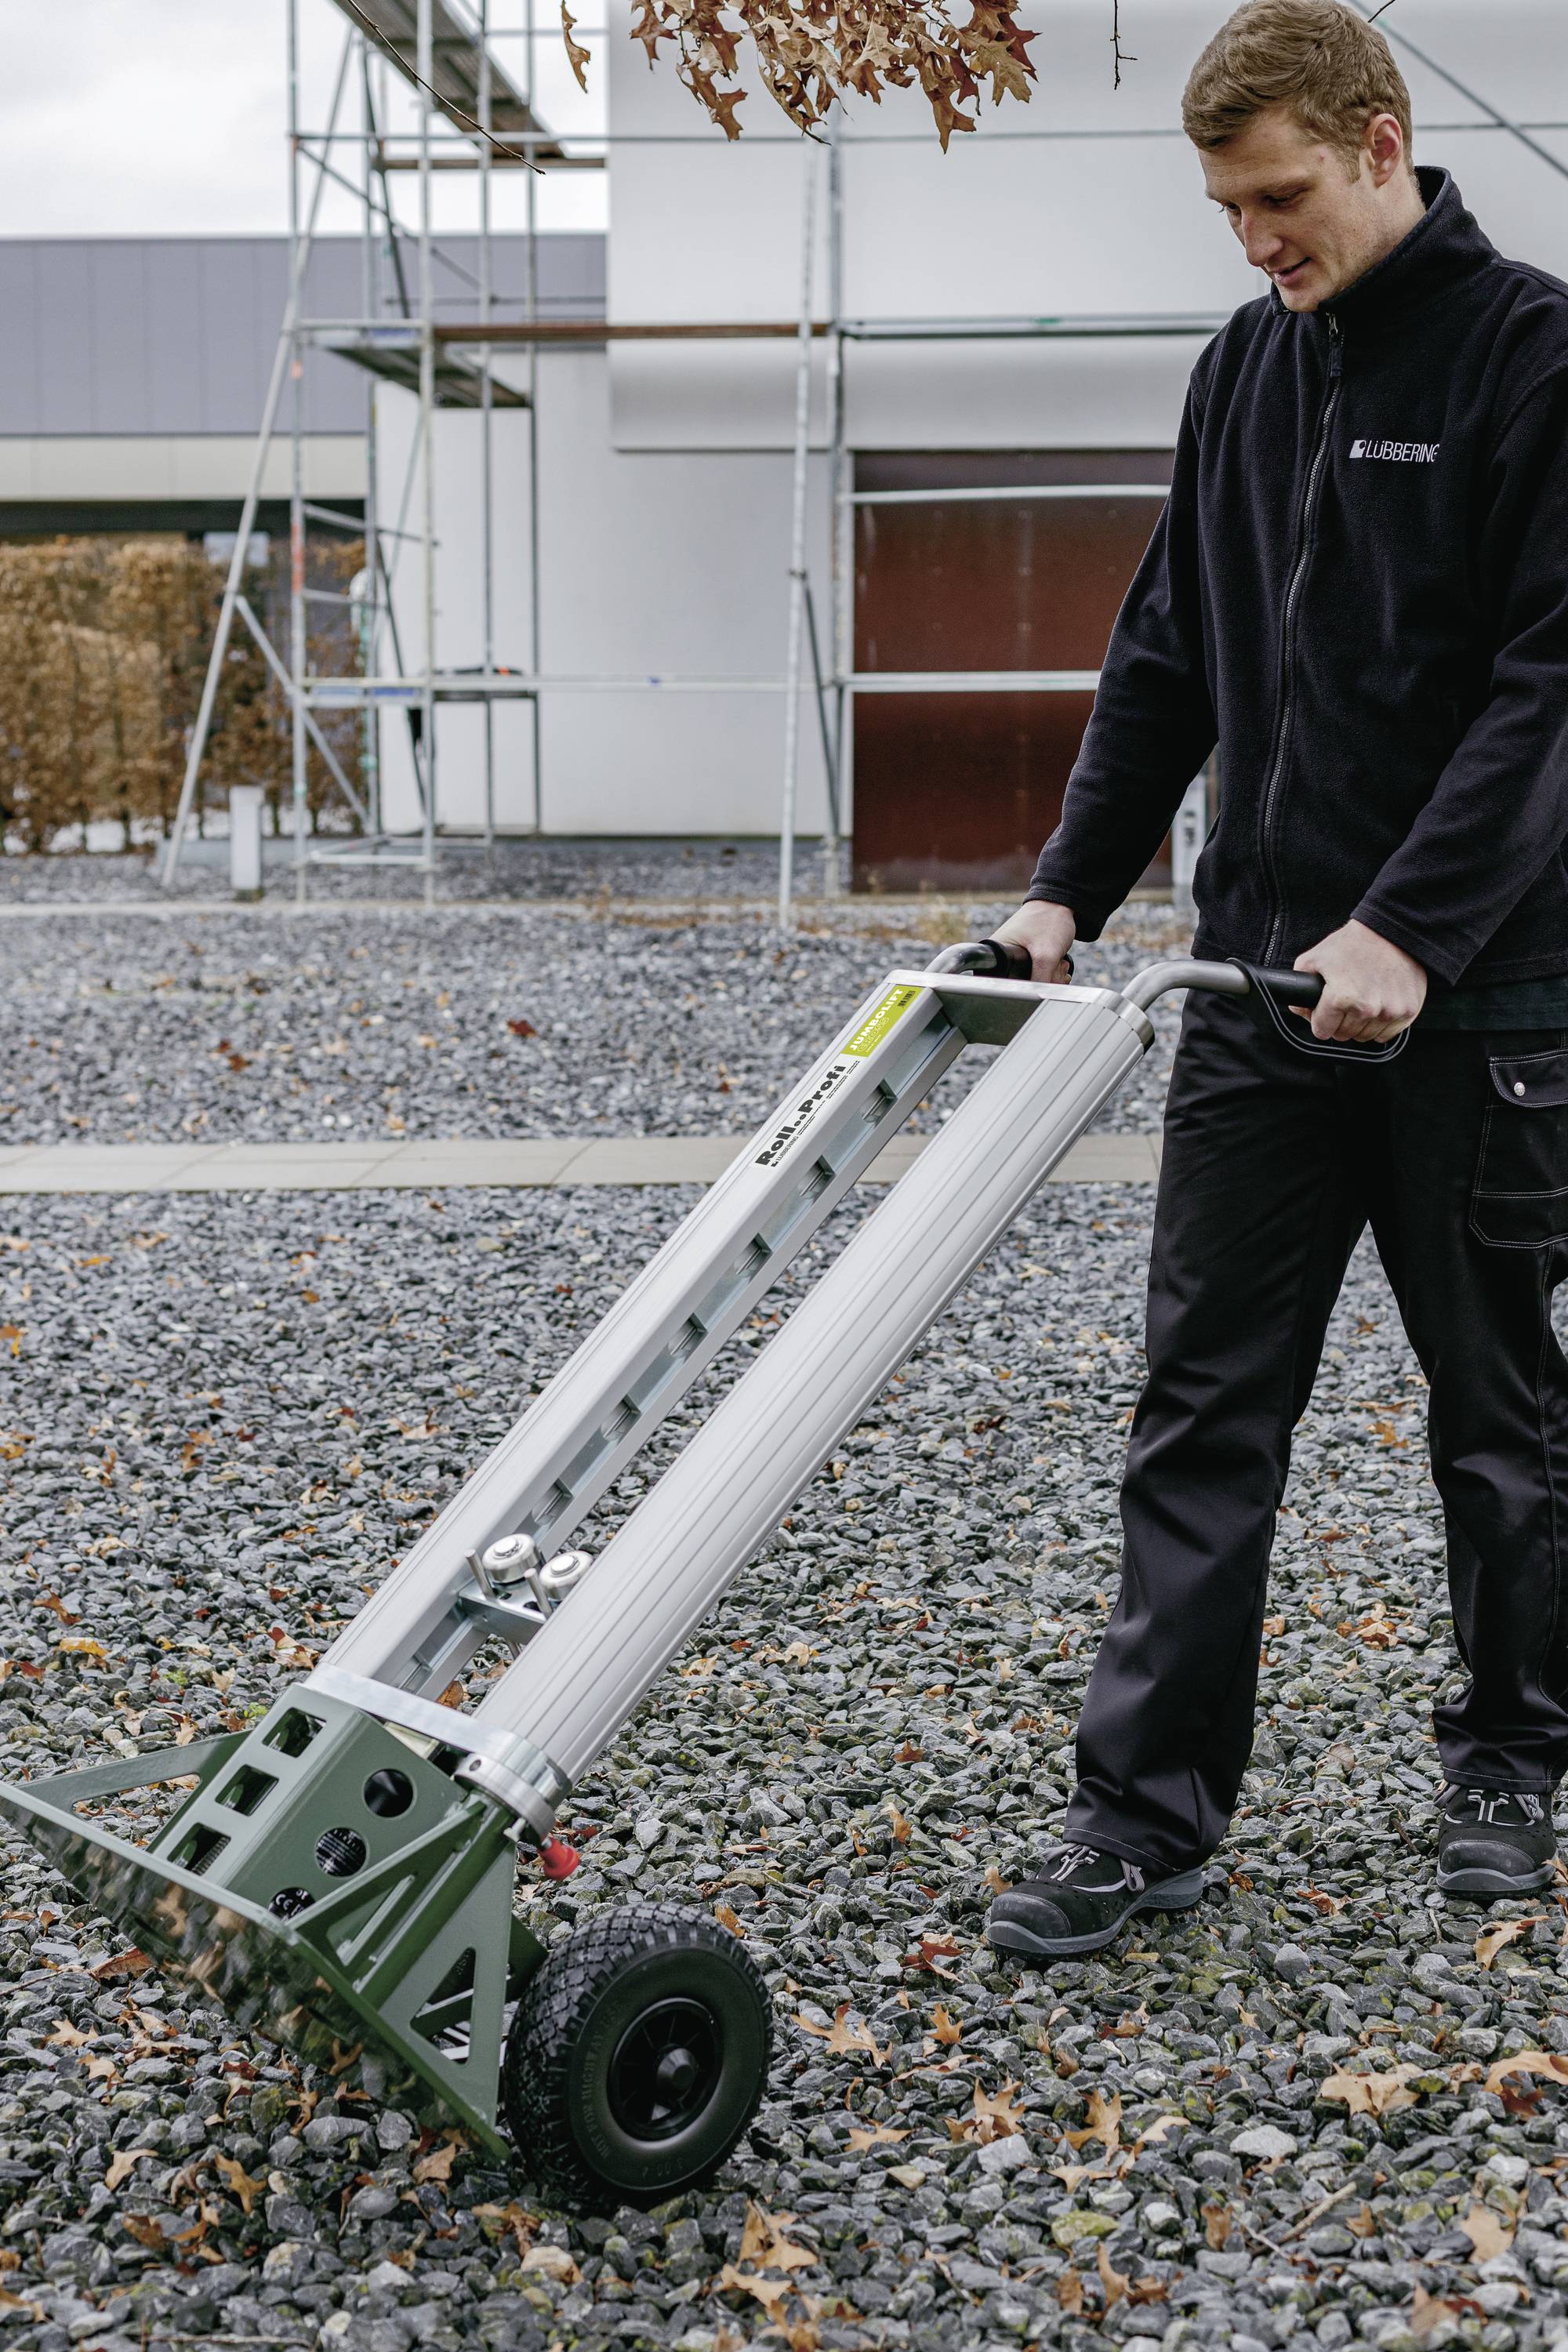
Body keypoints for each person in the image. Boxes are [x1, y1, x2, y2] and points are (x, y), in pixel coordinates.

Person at [984, 0, 1568, 1960]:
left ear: (1384, 142)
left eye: (1283, 199)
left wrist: (1410, 928)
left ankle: (1511, 1750)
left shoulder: (1532, 356)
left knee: (1497, 1420)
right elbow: (1166, 654)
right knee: (1201, 1407)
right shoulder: (1247, 367)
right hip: (1255, 998)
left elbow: (1547, 692)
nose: (1256, 242)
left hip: (1477, 1018)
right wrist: (1065, 892)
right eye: (1229, 209)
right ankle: (1141, 1814)